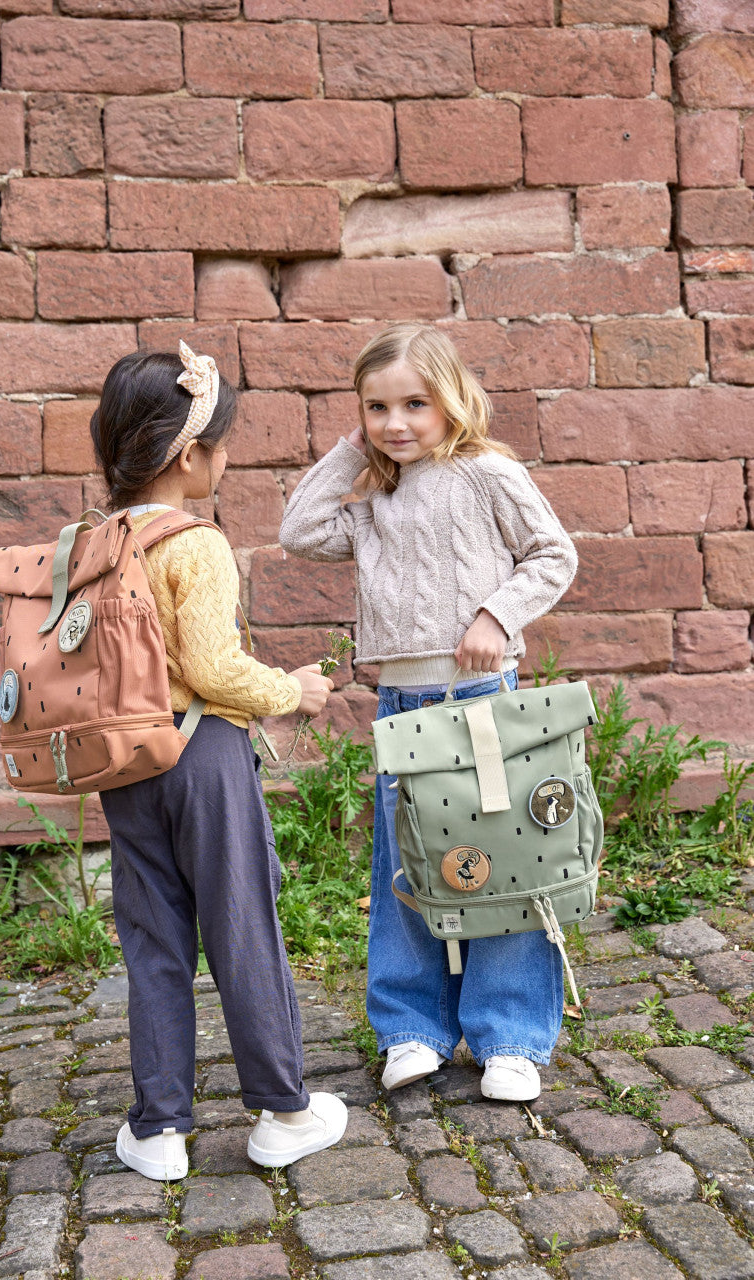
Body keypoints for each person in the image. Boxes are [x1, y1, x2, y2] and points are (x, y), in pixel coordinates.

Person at [280, 324, 578, 1103]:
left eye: (415, 402)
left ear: (452, 399)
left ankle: (510, 1033)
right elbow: (299, 530)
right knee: (407, 867)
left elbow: (552, 553)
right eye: (377, 406)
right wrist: (353, 448)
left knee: (505, 863)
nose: (396, 422)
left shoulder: (485, 474)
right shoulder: (376, 493)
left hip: (481, 697)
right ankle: (411, 1029)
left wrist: (494, 615)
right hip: (402, 705)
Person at [90, 342, 348, 1180]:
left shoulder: (97, 543)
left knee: (154, 938)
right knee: (241, 925)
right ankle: (284, 1111)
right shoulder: (193, 544)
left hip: (125, 762)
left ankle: (159, 1128)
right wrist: (294, 689)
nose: (226, 458)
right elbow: (214, 670)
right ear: (187, 454)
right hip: (201, 751)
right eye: (221, 444)